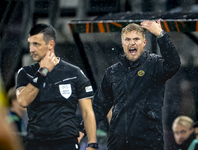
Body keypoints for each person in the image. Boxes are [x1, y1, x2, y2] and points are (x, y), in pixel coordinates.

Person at [80, 19, 181, 150]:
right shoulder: (113, 72)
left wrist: (160, 35)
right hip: (118, 143)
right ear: (122, 43)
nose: (132, 42)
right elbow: (99, 106)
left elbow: (174, 64)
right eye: (127, 39)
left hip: (148, 143)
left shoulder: (155, 65)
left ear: (144, 42)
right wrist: (81, 129)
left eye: (136, 39)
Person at [16, 24, 97, 150]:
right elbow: (23, 100)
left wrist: (92, 144)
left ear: (51, 45)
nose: (31, 49)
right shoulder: (25, 73)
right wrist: (43, 72)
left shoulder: (74, 73)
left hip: (66, 142)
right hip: (36, 143)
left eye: (36, 44)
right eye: (30, 44)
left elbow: (87, 112)